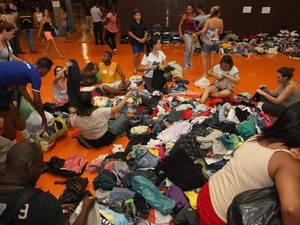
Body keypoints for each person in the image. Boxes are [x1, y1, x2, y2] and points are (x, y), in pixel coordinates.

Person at [197, 102, 300, 225]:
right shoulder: (286, 162)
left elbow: (236, 152)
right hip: (218, 217)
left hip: (206, 194)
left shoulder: (257, 138)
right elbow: (291, 209)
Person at [0, 141, 96, 225]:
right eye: (40, 166)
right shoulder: (43, 202)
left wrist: (53, 210)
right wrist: (86, 207)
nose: (41, 170)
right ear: (30, 166)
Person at [0, 57, 53, 142]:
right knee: (9, 116)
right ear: (44, 69)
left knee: (15, 113)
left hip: (2, 86)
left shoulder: (28, 68)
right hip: (1, 87)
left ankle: (28, 139)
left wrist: (32, 103)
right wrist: (44, 119)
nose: (45, 74)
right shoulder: (35, 75)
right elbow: (37, 101)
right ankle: (12, 145)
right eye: (47, 72)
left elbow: (22, 89)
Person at [68, 91, 134, 148]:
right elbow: (118, 108)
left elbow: (69, 124)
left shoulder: (77, 116)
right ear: (91, 101)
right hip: (104, 138)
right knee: (122, 117)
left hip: (89, 140)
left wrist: (71, 115)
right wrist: (127, 96)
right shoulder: (99, 111)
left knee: (109, 116)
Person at [195, 6, 223, 78]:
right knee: (212, 57)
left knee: (203, 57)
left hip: (208, 41)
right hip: (216, 41)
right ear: (218, 13)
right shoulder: (220, 21)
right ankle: (211, 72)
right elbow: (221, 32)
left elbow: (203, 31)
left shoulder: (209, 20)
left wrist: (196, 33)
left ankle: (204, 73)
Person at [128, 8, 148, 74]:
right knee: (136, 54)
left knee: (139, 54)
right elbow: (130, 32)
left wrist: (144, 38)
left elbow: (146, 31)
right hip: (135, 41)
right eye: (136, 15)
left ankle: (139, 66)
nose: (138, 16)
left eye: (139, 15)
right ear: (134, 16)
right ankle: (135, 67)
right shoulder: (132, 23)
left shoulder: (143, 22)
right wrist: (137, 39)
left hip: (142, 41)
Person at [178, 4, 196, 70]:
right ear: (186, 9)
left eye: (190, 9)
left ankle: (189, 62)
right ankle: (185, 63)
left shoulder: (194, 16)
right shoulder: (184, 16)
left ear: (192, 9)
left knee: (192, 49)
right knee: (188, 48)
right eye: (188, 9)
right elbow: (180, 25)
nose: (189, 10)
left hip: (194, 35)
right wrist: (180, 33)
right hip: (186, 34)